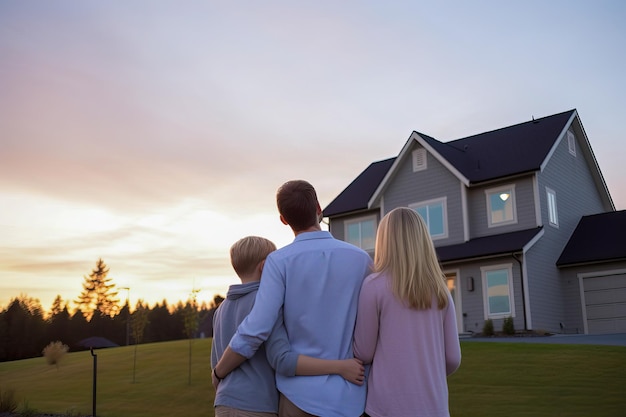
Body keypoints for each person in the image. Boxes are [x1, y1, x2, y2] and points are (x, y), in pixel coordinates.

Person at [213, 180, 373, 417]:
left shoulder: (279, 262)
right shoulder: (361, 260)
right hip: (349, 396)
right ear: (319, 208)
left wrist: (219, 371)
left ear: (283, 219)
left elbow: (256, 328)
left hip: (298, 398)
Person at [353, 207, 462, 417]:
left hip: (386, 408)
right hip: (435, 407)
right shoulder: (441, 290)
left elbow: (364, 352)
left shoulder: (374, 285)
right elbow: (453, 358)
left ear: (384, 241)